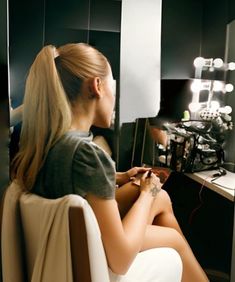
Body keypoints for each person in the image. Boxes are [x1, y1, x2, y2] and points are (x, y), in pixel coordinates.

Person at [11, 43, 208, 281]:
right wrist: (147, 193)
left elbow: (71, 178)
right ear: (97, 86)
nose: (115, 98)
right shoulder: (88, 154)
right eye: (113, 86)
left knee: (160, 197)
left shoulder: (50, 144)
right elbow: (121, 259)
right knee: (167, 223)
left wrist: (120, 177)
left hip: (67, 249)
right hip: (92, 257)